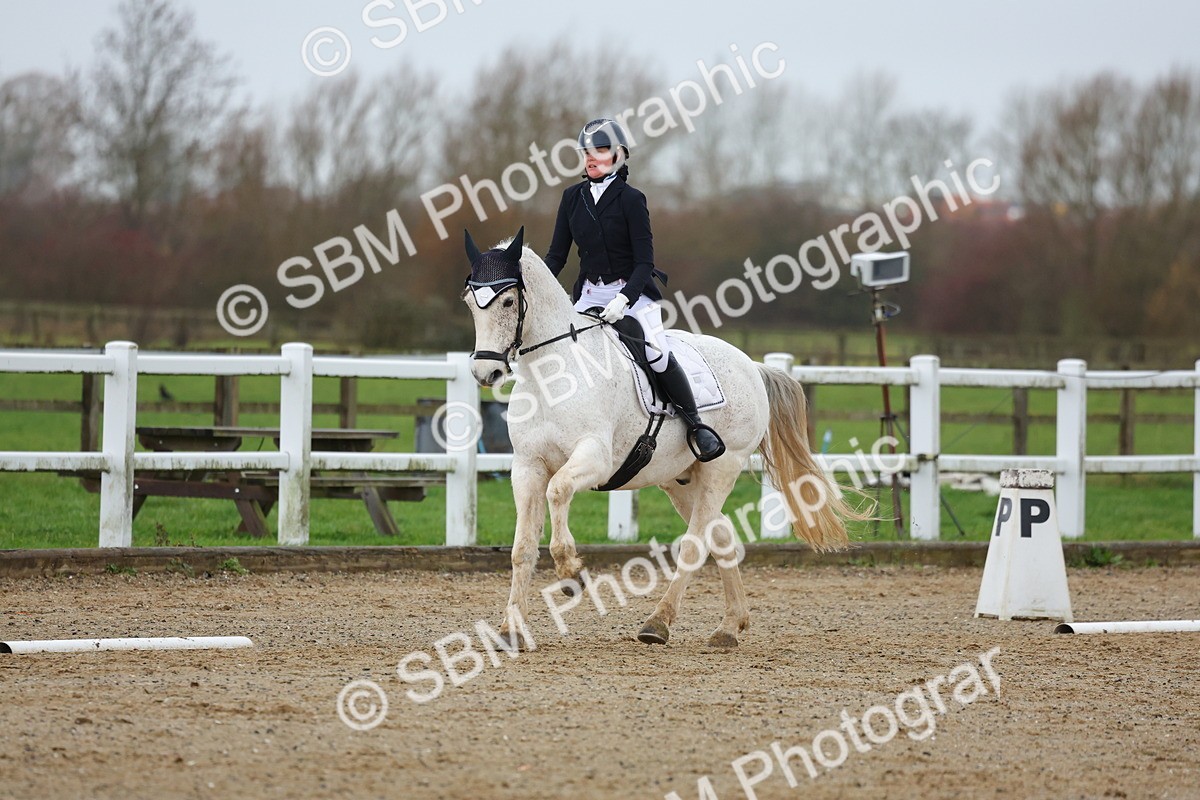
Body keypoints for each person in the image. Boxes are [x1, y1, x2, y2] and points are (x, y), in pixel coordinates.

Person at [543, 118, 725, 462]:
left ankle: (696, 425)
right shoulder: (571, 198)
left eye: (599, 151)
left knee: (656, 353)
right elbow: (556, 256)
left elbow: (644, 262)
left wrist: (624, 299)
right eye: (586, 152)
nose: (591, 158)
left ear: (619, 155)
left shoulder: (631, 199)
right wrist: (533, 282)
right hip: (588, 294)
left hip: (633, 292)